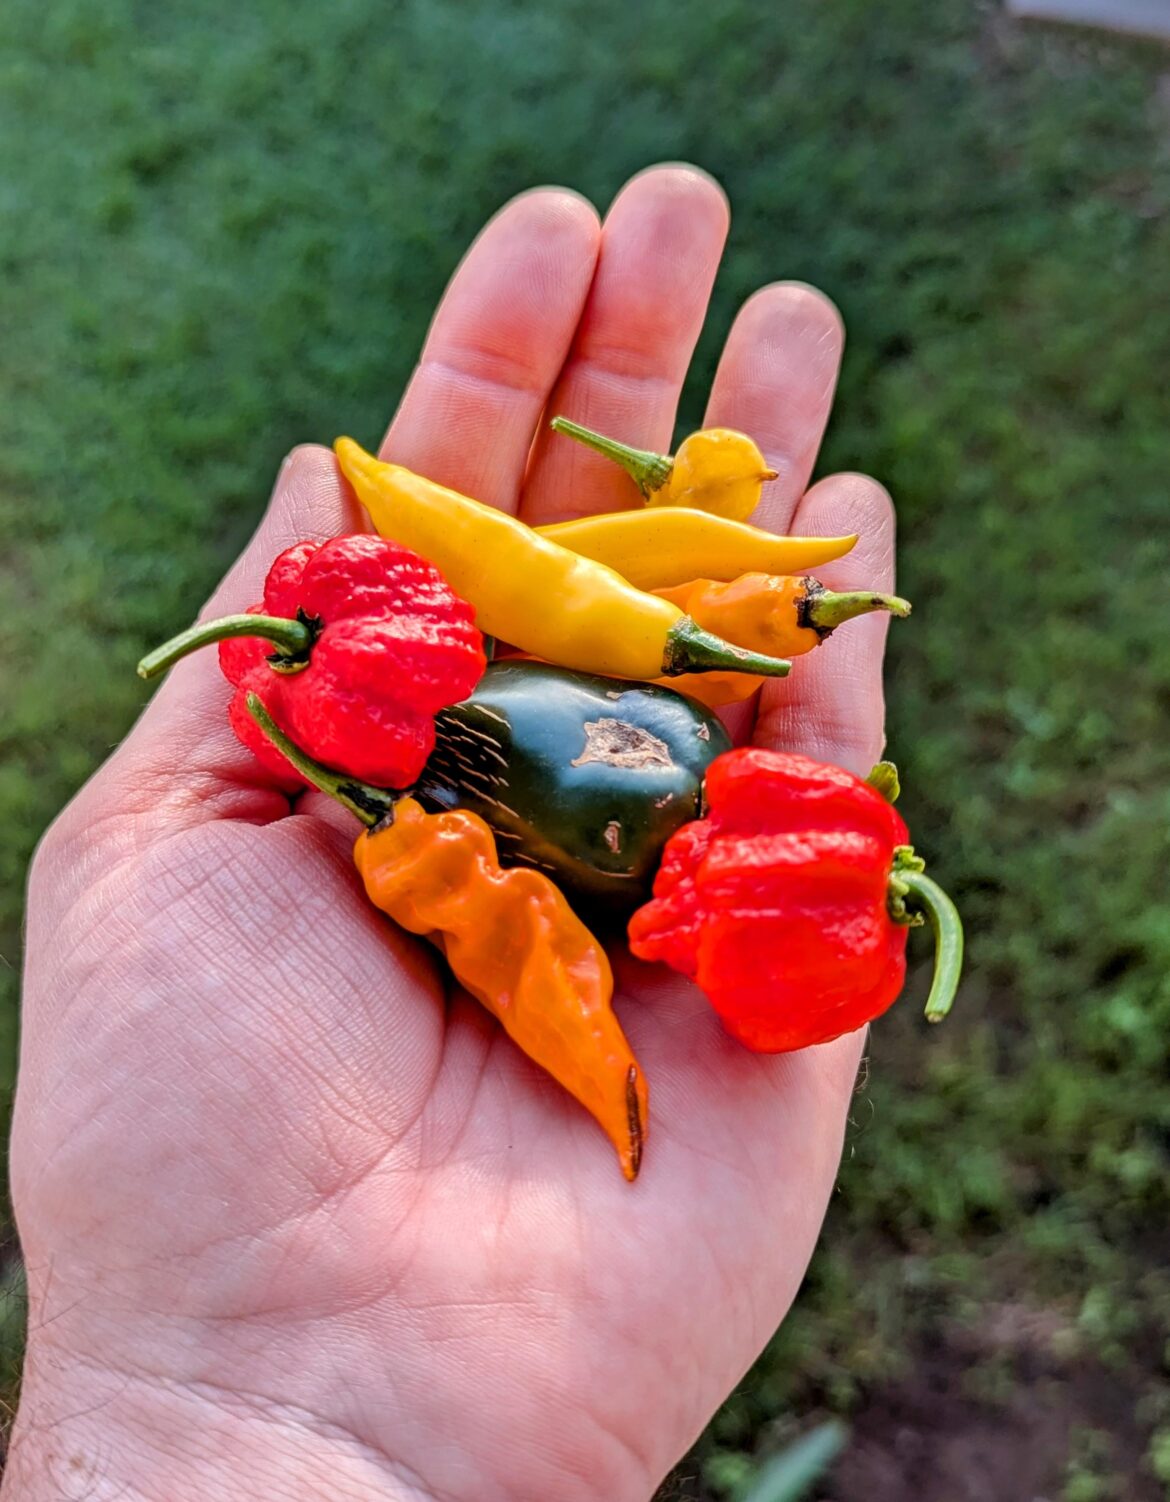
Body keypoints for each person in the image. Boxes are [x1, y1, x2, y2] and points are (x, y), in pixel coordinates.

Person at [5, 163, 897, 1501]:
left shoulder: (426, 741)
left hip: (597, 764)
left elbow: (580, 629)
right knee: (625, 671)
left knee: (647, 653)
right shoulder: (403, 769)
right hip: (541, 770)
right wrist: (199, 1394)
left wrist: (181, 1418)